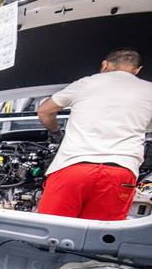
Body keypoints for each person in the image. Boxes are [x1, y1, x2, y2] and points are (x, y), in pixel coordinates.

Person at [37, 48, 152, 220]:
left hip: (73, 167)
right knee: (100, 237)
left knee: (51, 228)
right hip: (121, 171)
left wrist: (56, 132)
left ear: (105, 65)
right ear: (137, 70)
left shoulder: (86, 83)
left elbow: (44, 111)